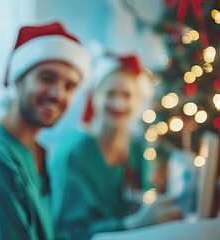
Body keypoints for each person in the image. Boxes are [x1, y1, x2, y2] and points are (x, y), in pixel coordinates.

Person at [0, 22, 91, 240]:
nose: (58, 94)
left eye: (69, 86)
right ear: (18, 80)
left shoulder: (34, 150)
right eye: (46, 78)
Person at [49, 54, 182, 240]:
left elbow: (140, 200)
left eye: (127, 95)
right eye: (110, 93)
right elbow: (69, 231)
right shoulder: (76, 151)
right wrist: (132, 224)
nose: (118, 103)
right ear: (95, 96)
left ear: (138, 101)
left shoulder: (137, 149)